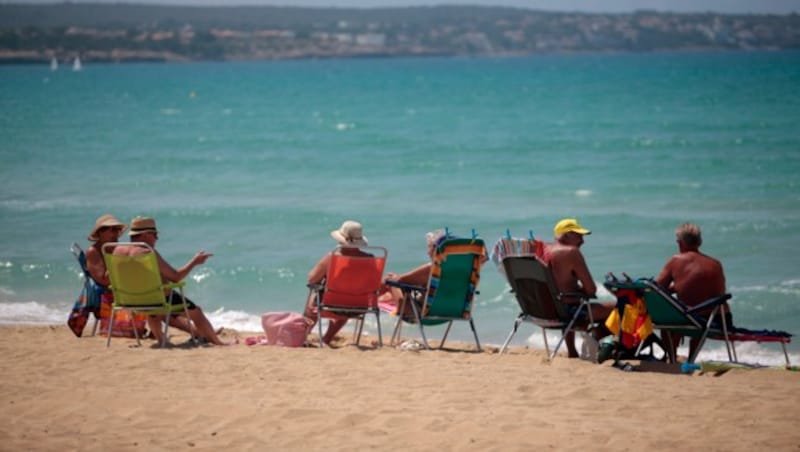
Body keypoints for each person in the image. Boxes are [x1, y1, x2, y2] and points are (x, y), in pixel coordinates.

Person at [113, 216, 234, 346]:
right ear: (145, 235)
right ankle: (217, 341)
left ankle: (161, 340)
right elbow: (176, 277)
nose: (156, 239)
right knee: (196, 312)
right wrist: (194, 262)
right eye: (154, 235)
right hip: (157, 298)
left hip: (129, 300)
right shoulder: (146, 252)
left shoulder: (116, 250)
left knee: (153, 310)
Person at [656, 222, 728, 360]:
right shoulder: (716, 263)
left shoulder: (676, 260)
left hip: (692, 319)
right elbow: (718, 292)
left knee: (670, 319)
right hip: (719, 319)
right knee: (695, 312)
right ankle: (691, 358)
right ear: (699, 242)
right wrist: (678, 287)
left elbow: (658, 288)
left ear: (681, 243)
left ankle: (672, 358)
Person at [542, 218, 614, 358]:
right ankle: (595, 336)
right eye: (579, 235)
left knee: (570, 300)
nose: (582, 240)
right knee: (619, 310)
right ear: (567, 235)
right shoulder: (571, 252)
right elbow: (591, 290)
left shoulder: (543, 250)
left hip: (545, 310)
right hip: (567, 312)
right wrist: (581, 290)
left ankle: (572, 351)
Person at [304, 220, 372, 345]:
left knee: (315, 293)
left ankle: (305, 332)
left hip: (331, 304)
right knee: (349, 295)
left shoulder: (333, 257)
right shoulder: (370, 260)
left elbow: (312, 278)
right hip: (359, 306)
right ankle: (327, 337)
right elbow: (373, 284)